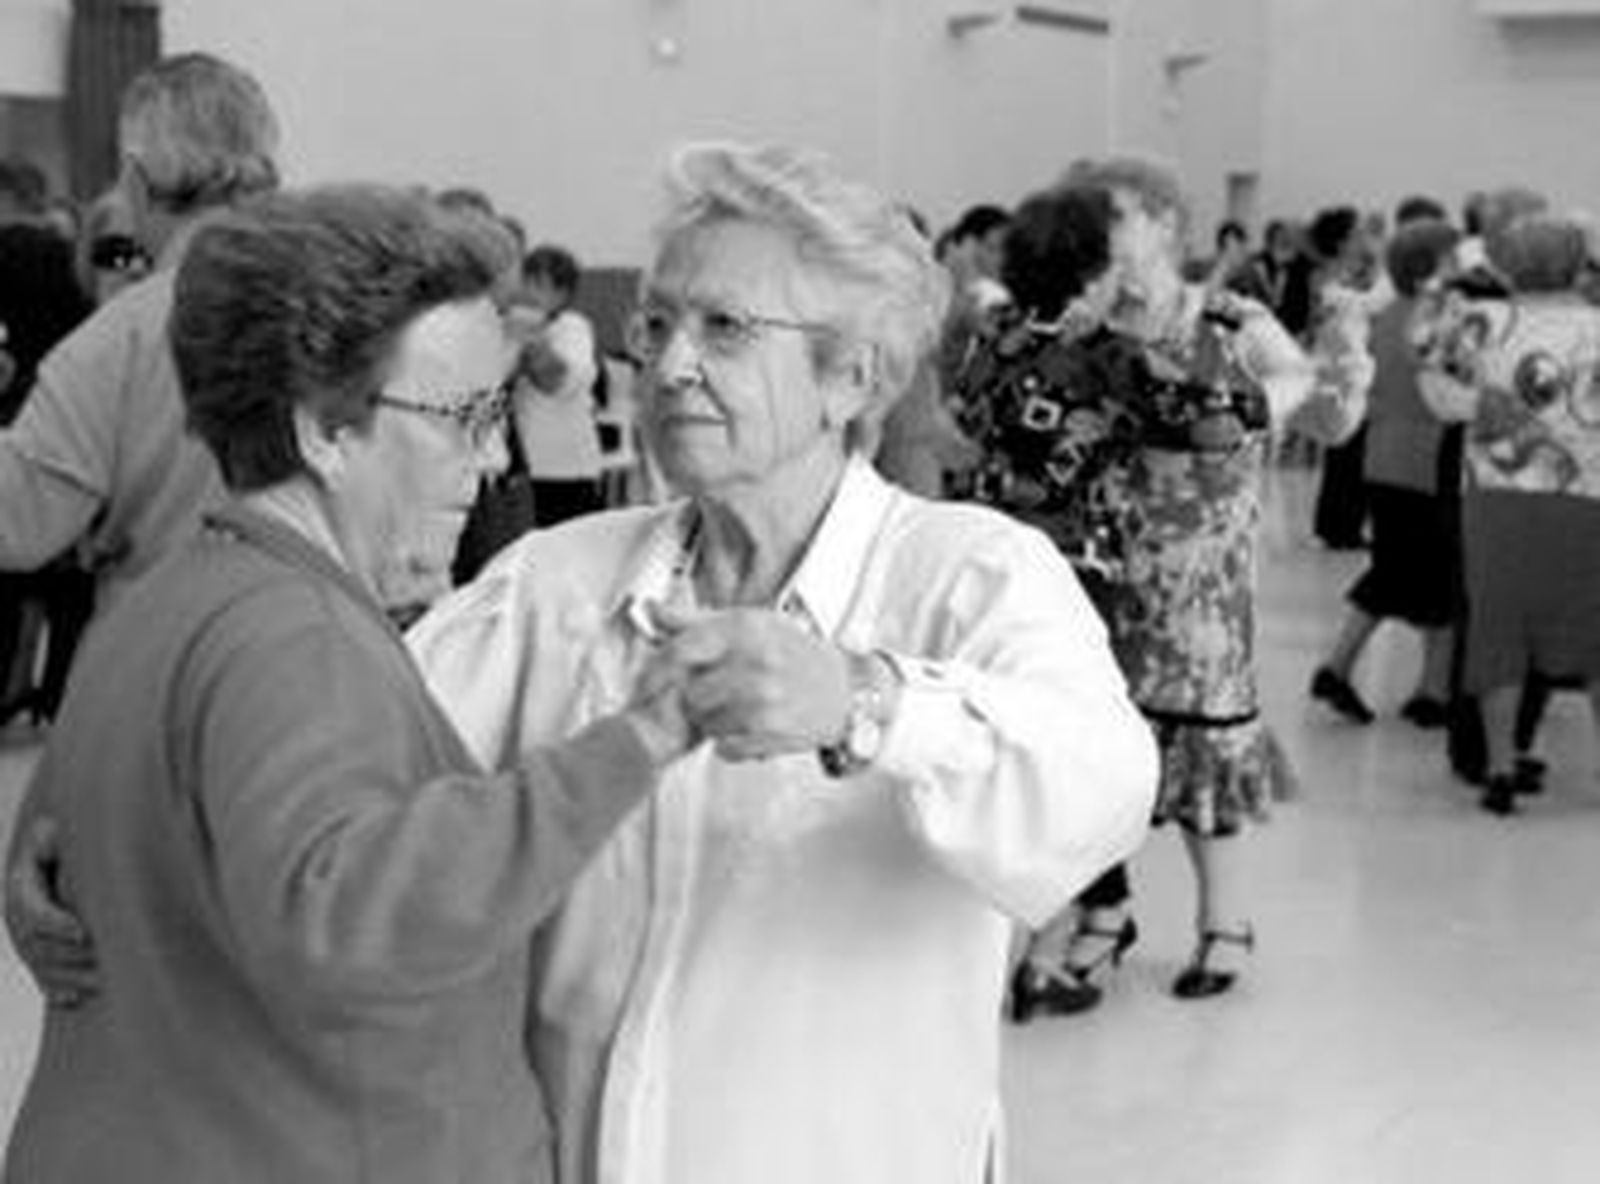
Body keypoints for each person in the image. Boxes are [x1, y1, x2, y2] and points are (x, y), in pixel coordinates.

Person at [415, 142, 1152, 1183]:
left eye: (724, 329)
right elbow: (371, 745)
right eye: (659, 322)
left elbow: (1103, 786)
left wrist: (865, 702)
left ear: (853, 376)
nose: (669, 364)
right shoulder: (557, 582)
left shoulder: (967, 575)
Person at [2, 184, 699, 1184]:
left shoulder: (166, 600)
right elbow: (348, 920)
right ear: (324, 429)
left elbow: (72, 856)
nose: (490, 457)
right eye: (463, 416)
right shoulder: (293, 636)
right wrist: (647, 735)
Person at [1005, 156, 1317, 1012]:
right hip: (1102, 565)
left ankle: (1227, 919)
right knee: (1097, 745)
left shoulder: (1228, 318)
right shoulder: (1083, 323)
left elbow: (1301, 384)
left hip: (1206, 576)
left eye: (1118, 216)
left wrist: (1251, 410)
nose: (1102, 231)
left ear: (1168, 225)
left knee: (1205, 741)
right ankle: (1105, 915)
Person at [0, 53, 278, 618]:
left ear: (134, 177)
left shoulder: (119, 339)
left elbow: (19, 525)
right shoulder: (334, 303)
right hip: (305, 639)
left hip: (161, 640)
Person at [1414, 211, 1600, 816]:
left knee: (1500, 628)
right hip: (1590, 500)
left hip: (1498, 500)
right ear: (1579, 264)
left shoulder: (1479, 323)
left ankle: (1498, 767)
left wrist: (1482, 403)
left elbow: (1437, 398)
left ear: (1508, 265)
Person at [1310, 219, 1463, 727]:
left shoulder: (1385, 315)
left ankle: (1384, 678)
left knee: (1400, 569)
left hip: (1381, 455)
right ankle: (1425, 689)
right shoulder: (1436, 322)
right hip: (1428, 460)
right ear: (1432, 268)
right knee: (1433, 577)